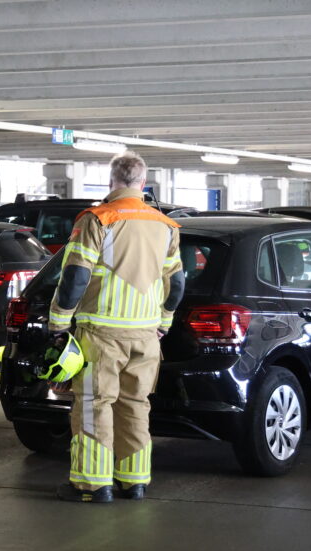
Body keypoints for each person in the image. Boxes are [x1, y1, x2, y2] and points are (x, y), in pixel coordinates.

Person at [48, 151, 184, 503]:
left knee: (95, 405)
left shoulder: (98, 219)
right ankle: (135, 481)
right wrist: (163, 324)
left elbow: (76, 276)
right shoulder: (166, 226)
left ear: (112, 181)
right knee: (136, 405)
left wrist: (59, 322)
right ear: (143, 182)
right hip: (146, 336)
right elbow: (177, 284)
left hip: (102, 335)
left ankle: (93, 484)